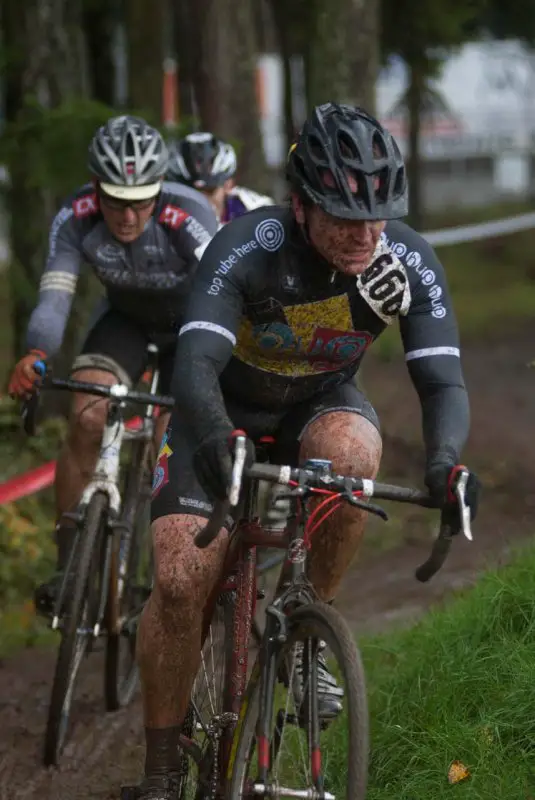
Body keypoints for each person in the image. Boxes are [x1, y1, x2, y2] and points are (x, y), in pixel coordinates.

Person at [128, 102, 481, 799]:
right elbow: (194, 364)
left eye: (377, 216)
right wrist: (211, 437)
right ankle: (162, 766)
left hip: (316, 407)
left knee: (352, 454)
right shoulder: (244, 244)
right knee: (178, 578)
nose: (364, 235)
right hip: (217, 409)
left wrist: (445, 462)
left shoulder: (404, 259)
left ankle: (306, 622)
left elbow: (440, 380)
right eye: (344, 218)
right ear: (298, 206)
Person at [7, 114, 218, 615]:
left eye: (140, 201)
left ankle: (164, 567)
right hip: (125, 321)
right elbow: (57, 293)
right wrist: (37, 352)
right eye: (115, 202)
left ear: (161, 188)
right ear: (95, 188)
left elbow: (221, 294)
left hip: (190, 326)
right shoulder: (76, 215)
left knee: (171, 442)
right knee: (87, 415)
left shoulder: (189, 214)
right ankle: (68, 568)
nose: (127, 217)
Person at [166, 131, 274, 226]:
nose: (201, 200)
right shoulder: (164, 219)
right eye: (191, 192)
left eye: (210, 191)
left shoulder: (256, 212)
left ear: (229, 185)